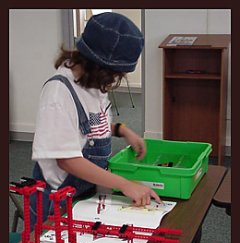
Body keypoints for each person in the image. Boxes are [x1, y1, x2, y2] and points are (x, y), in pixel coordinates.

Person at [30, 12, 161, 229]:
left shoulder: (90, 83)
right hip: (56, 204)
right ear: (98, 66)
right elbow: (67, 159)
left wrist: (122, 130)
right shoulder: (58, 94)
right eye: (114, 74)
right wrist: (125, 185)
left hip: (86, 195)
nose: (115, 80)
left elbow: (85, 128)